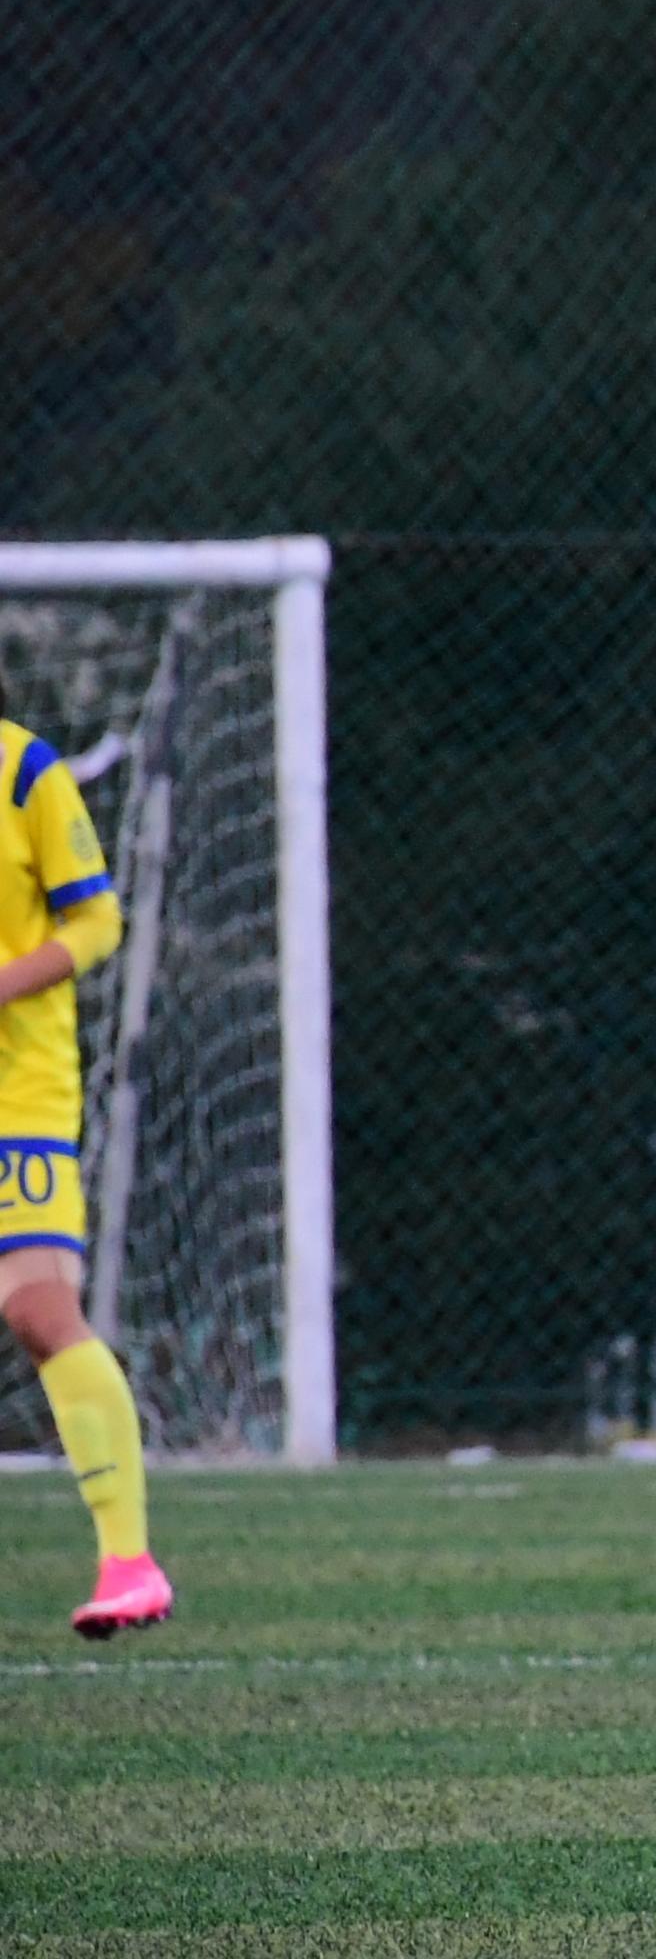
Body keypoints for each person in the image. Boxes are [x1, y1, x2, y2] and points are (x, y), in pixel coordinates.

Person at [0, 698, 162, 1638]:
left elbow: (97, 924)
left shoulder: (26, 772)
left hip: (20, 1091)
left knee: (36, 1307)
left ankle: (129, 1560)